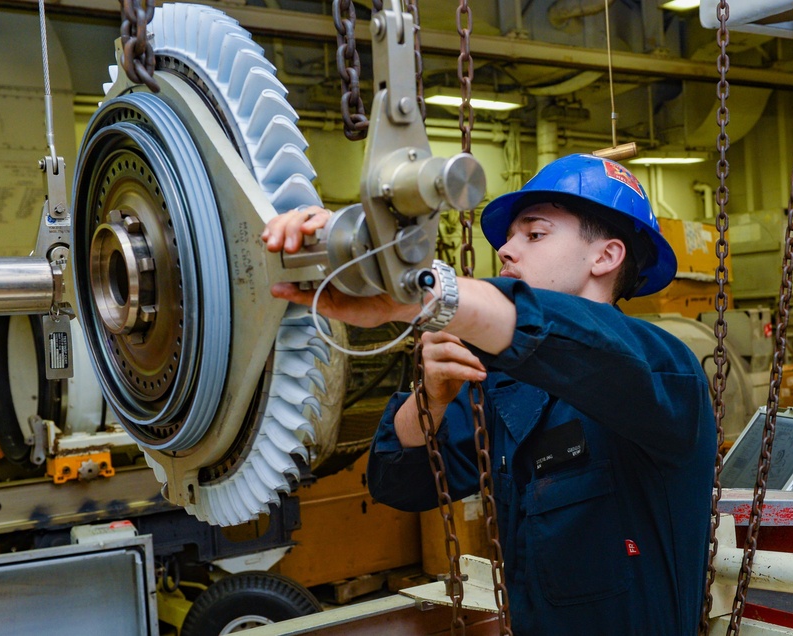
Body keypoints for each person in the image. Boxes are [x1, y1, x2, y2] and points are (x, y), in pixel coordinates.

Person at [262, 153, 716, 635]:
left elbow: (583, 342)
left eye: (534, 234)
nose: (505, 250)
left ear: (605, 256)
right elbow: (401, 482)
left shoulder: (664, 375)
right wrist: (432, 399)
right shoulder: (503, 385)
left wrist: (421, 290)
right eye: (508, 238)